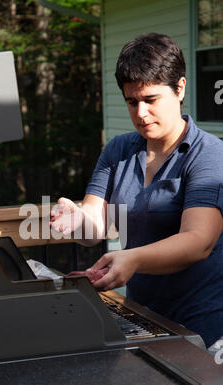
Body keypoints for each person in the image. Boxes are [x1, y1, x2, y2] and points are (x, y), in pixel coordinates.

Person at [50, 32, 223, 351]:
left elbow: (198, 241)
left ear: (180, 88)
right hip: (145, 321)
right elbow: (96, 225)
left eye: (151, 100)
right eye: (132, 102)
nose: (140, 114)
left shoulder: (209, 155)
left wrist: (131, 259)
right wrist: (77, 219)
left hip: (205, 330)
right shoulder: (118, 150)